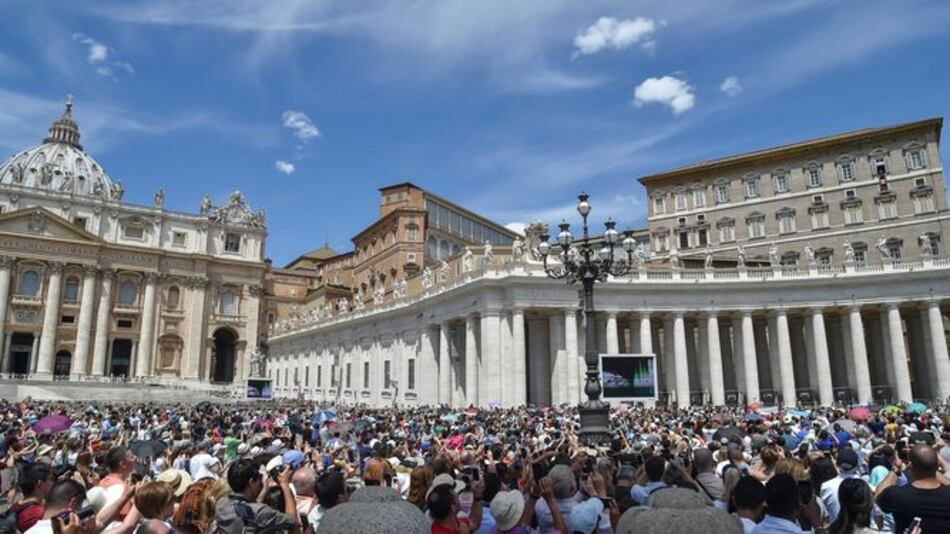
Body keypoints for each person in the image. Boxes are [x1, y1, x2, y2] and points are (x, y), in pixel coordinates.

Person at [876, 444, 950, 533]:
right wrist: (931, 466)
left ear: (910, 466)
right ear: (937, 465)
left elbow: (878, 495)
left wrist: (895, 469)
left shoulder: (899, 496)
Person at [212, 459, 298, 534]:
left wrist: (264, 490)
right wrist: (284, 484)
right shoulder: (260, 512)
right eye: (259, 477)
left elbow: (249, 513)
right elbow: (292, 521)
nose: (261, 480)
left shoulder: (221, 503)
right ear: (251, 482)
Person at [821, 448, 864, 524]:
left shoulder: (826, 486)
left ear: (837, 464)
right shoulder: (864, 484)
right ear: (857, 465)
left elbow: (823, 513)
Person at [98, 445, 136, 521]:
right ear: (123, 464)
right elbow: (125, 518)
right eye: (132, 457)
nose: (135, 458)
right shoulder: (122, 488)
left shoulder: (102, 482)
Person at [12, 464, 52, 532]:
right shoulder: (40, 514)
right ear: (40, 484)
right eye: (50, 479)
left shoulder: (16, 505)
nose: (52, 483)